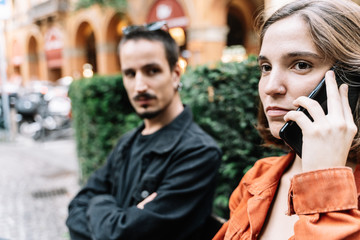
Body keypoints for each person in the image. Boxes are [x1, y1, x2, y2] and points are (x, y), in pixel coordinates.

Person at [213, 0, 360, 239]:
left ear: (351, 80)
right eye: (266, 67)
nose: (270, 87)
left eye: (300, 65)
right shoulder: (258, 179)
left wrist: (327, 184)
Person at [66, 21, 222, 240]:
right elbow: (75, 210)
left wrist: (98, 203)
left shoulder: (198, 152)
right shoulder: (127, 142)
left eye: (152, 71)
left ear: (175, 73)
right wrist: (117, 217)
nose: (139, 86)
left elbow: (124, 236)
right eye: (130, 74)